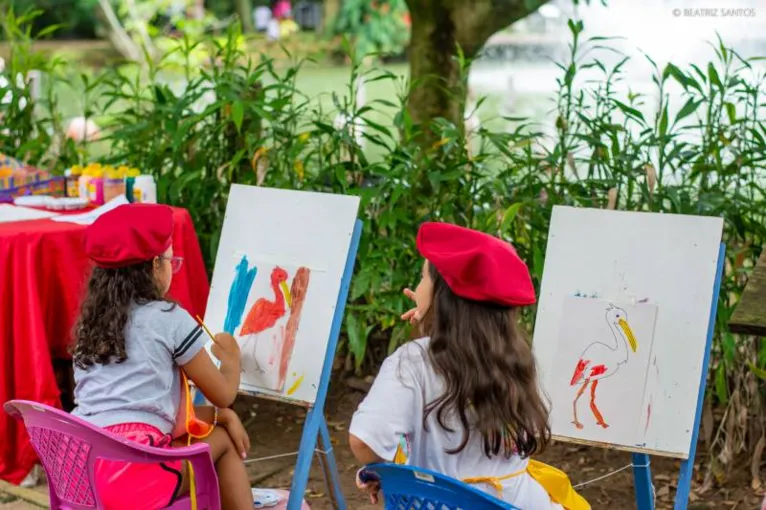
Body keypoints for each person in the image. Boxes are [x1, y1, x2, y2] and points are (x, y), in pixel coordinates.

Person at [348, 222, 590, 510]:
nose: (416, 288)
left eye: (423, 278)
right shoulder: (517, 357)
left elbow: (364, 442)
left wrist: (382, 472)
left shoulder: (414, 360)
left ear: (442, 296)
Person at [71, 203, 254, 510]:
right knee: (222, 441)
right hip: (133, 477)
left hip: (81, 472)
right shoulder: (169, 319)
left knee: (198, 437)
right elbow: (222, 393)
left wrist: (225, 415)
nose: (172, 266)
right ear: (155, 265)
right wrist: (232, 359)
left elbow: (150, 406)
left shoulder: (90, 327)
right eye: (172, 260)